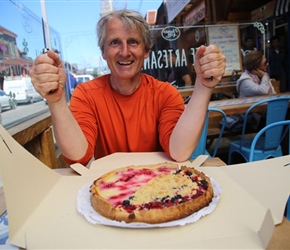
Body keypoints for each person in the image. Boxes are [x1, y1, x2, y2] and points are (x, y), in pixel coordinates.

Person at [30, 9, 226, 167]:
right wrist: (56, 101)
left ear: (146, 51)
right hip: (110, 192)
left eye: (133, 42)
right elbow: (77, 156)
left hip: (160, 189)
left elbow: (180, 152)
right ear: (104, 52)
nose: (124, 52)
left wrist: (203, 86)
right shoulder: (86, 94)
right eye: (115, 43)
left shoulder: (165, 93)